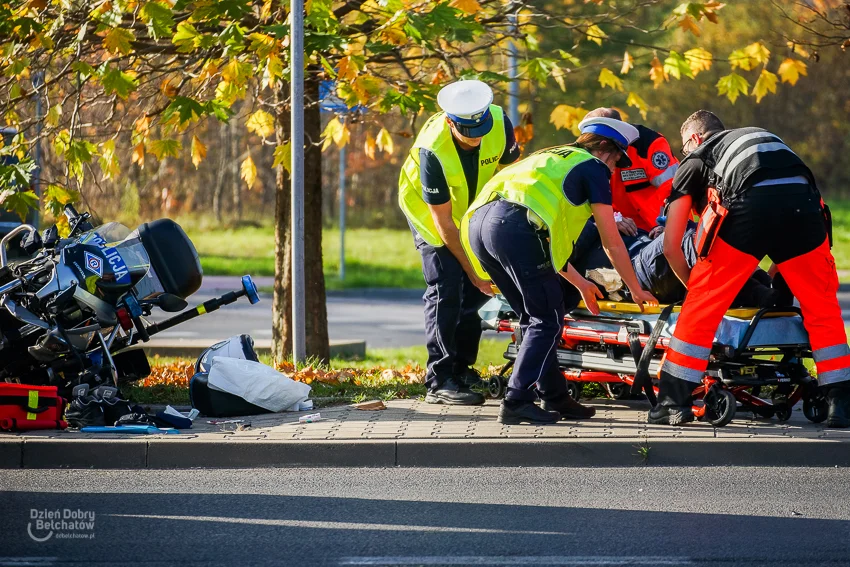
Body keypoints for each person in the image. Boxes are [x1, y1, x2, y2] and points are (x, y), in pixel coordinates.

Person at [650, 110, 850, 427]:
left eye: (683, 149)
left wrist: (695, 290)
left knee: (702, 305)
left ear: (694, 140)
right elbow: (792, 209)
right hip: (805, 206)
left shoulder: (696, 158)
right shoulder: (762, 139)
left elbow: (671, 245)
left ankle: (673, 402)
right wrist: (779, 288)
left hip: (747, 204)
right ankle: (839, 404)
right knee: (821, 306)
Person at [460, 116, 658, 424]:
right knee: (546, 318)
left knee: (534, 315)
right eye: (618, 158)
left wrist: (580, 283)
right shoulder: (592, 168)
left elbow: (551, 237)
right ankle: (516, 400)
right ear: (604, 147)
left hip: (480, 226)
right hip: (513, 229)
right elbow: (612, 243)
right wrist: (635, 288)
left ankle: (554, 396)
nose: (616, 167)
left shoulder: (550, 156)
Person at [398, 80, 521, 406]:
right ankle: (439, 379)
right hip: (432, 217)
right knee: (448, 286)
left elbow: (511, 177)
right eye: (469, 130)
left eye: (482, 127)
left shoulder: (499, 121)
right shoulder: (432, 150)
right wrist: (473, 270)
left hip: (472, 210)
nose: (478, 135)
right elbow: (443, 222)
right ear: (451, 121)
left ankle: (462, 368)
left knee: (475, 293)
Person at [567, 218, 786, 306]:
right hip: (631, 275)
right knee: (689, 236)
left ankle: (767, 292)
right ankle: (765, 284)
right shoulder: (576, 226)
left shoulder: (595, 214)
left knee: (693, 237)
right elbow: (560, 256)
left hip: (645, 260)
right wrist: (600, 223)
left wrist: (653, 231)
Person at [583, 108, 678, 237]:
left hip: (662, 228)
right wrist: (612, 220)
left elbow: (673, 189)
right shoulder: (584, 155)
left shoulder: (648, 143)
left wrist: (666, 225)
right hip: (622, 231)